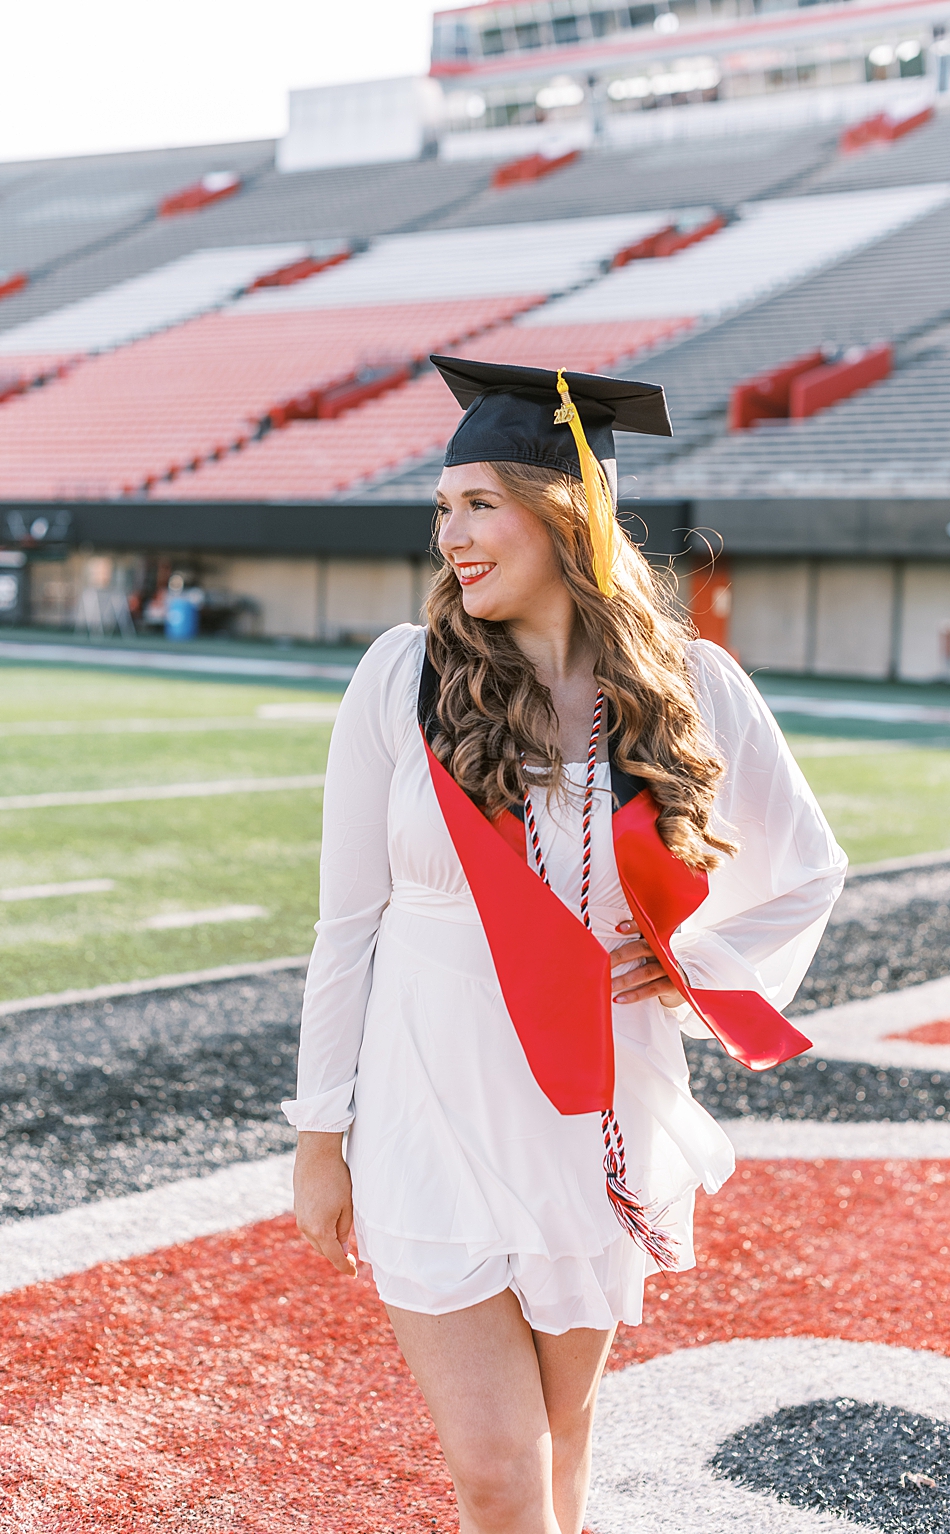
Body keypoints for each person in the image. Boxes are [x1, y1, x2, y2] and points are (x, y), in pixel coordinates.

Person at [286, 356, 847, 1534]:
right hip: (426, 1103)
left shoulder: (690, 685)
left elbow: (806, 867)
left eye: (480, 504)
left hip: (595, 1110)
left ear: (565, 512)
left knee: (563, 1453)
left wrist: (699, 969)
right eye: (443, 509)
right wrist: (318, 1133)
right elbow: (348, 925)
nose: (453, 536)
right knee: (499, 1473)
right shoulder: (404, 677)